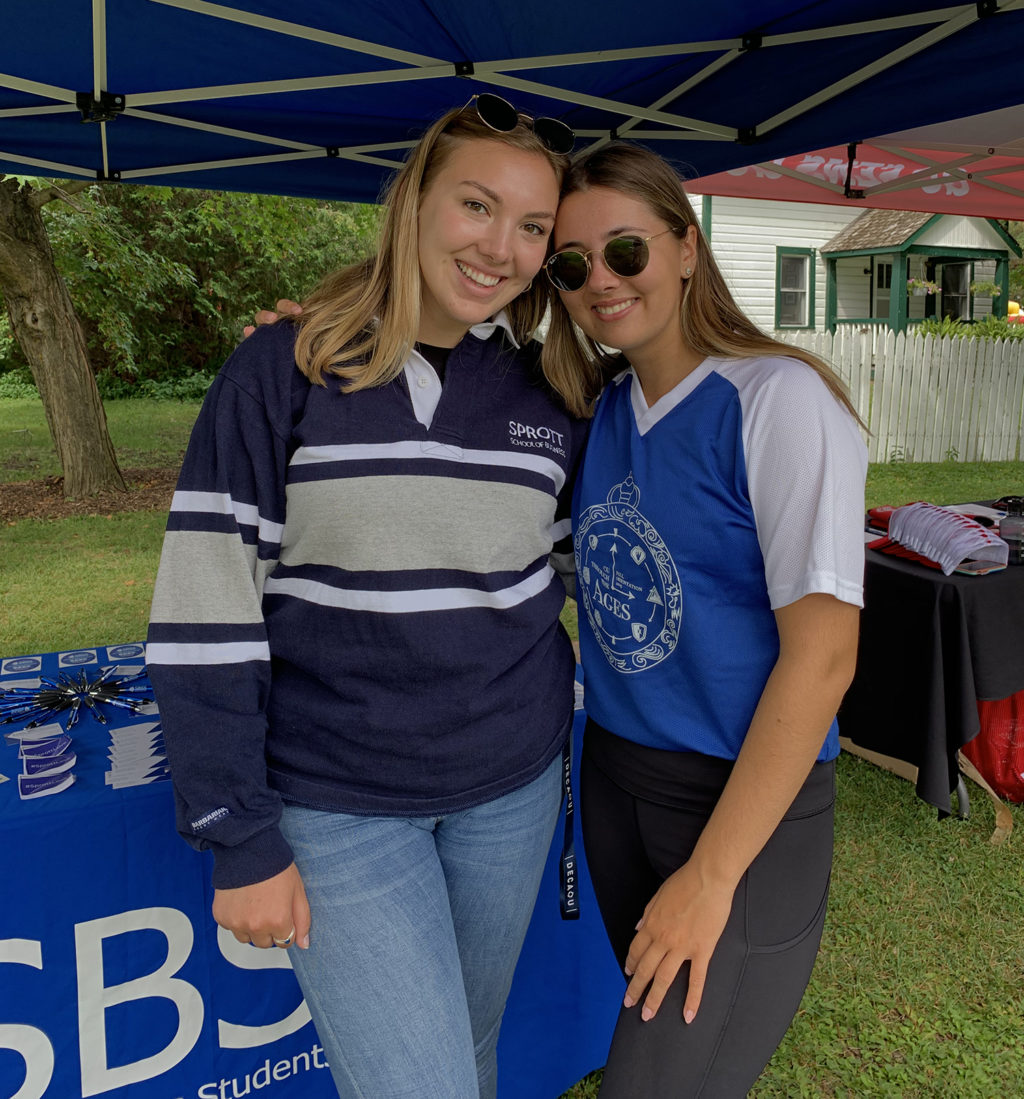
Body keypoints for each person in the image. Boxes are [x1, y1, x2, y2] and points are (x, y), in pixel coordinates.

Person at [146, 95, 587, 1099]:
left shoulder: (552, 396)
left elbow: (584, 579)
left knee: (465, 1055)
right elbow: (204, 610)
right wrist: (237, 832)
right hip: (337, 802)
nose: (500, 247)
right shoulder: (283, 368)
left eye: (531, 228)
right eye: (478, 206)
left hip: (510, 792)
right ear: (415, 201)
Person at [539, 143, 867, 1097]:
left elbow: (825, 657)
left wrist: (714, 873)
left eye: (626, 251)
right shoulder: (598, 410)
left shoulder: (776, 399)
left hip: (739, 808)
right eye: (571, 264)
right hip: (614, 783)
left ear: (687, 247)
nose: (600, 280)